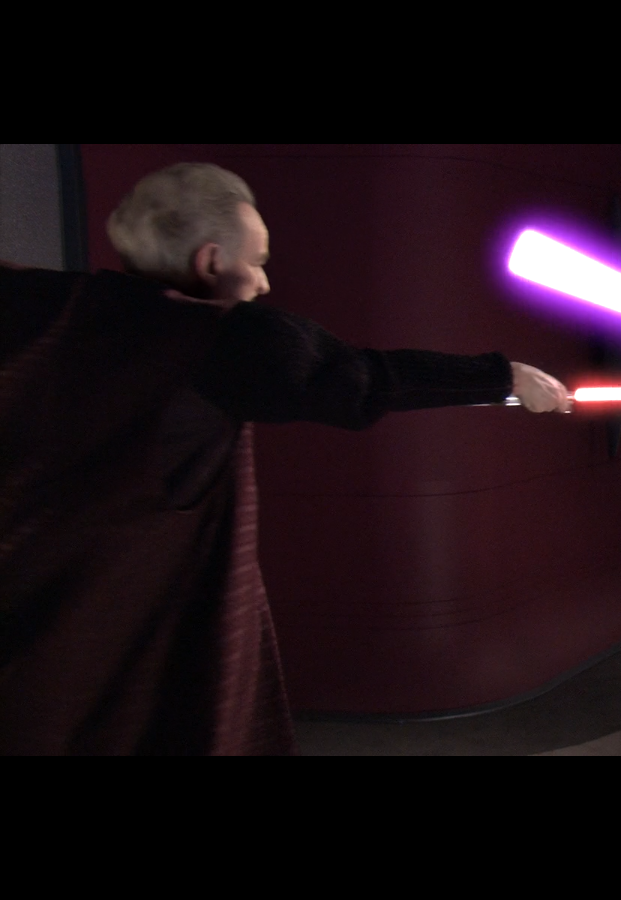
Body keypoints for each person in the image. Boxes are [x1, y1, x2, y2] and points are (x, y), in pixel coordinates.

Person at [0, 162, 571, 755]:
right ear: (211, 262)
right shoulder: (219, 341)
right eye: (256, 261)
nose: (264, 283)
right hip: (131, 640)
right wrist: (505, 377)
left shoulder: (64, 306)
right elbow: (363, 380)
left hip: (39, 628)